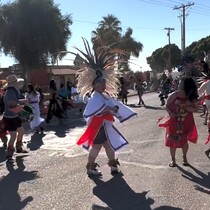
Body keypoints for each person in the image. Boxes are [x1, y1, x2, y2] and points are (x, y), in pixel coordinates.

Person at [74, 38, 137, 176]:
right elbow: (96, 110)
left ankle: (113, 165)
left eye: (104, 82)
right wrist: (110, 110)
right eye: (100, 82)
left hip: (104, 125)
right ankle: (90, 167)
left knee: (109, 145)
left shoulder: (104, 96)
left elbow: (113, 106)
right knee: (97, 146)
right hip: (98, 126)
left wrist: (118, 111)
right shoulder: (94, 97)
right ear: (94, 85)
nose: (103, 84)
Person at [158, 77, 199, 167]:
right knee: (172, 140)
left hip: (186, 122)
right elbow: (166, 105)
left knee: (184, 140)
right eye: (180, 83)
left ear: (186, 86)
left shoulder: (191, 96)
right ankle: (173, 160)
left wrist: (188, 108)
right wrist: (171, 113)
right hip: (174, 121)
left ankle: (184, 158)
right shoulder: (174, 95)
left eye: (181, 83)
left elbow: (196, 109)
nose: (179, 84)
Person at [2, 75, 28, 160]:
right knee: (13, 135)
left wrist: (22, 102)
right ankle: (9, 153)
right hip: (11, 117)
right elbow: (11, 104)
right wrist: (22, 103)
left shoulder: (11, 91)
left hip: (13, 116)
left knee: (21, 131)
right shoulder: (11, 92)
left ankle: (19, 148)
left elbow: (12, 103)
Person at [198, 61, 210, 158]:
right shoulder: (206, 83)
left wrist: (203, 96)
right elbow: (199, 92)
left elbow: (199, 92)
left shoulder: (206, 83)